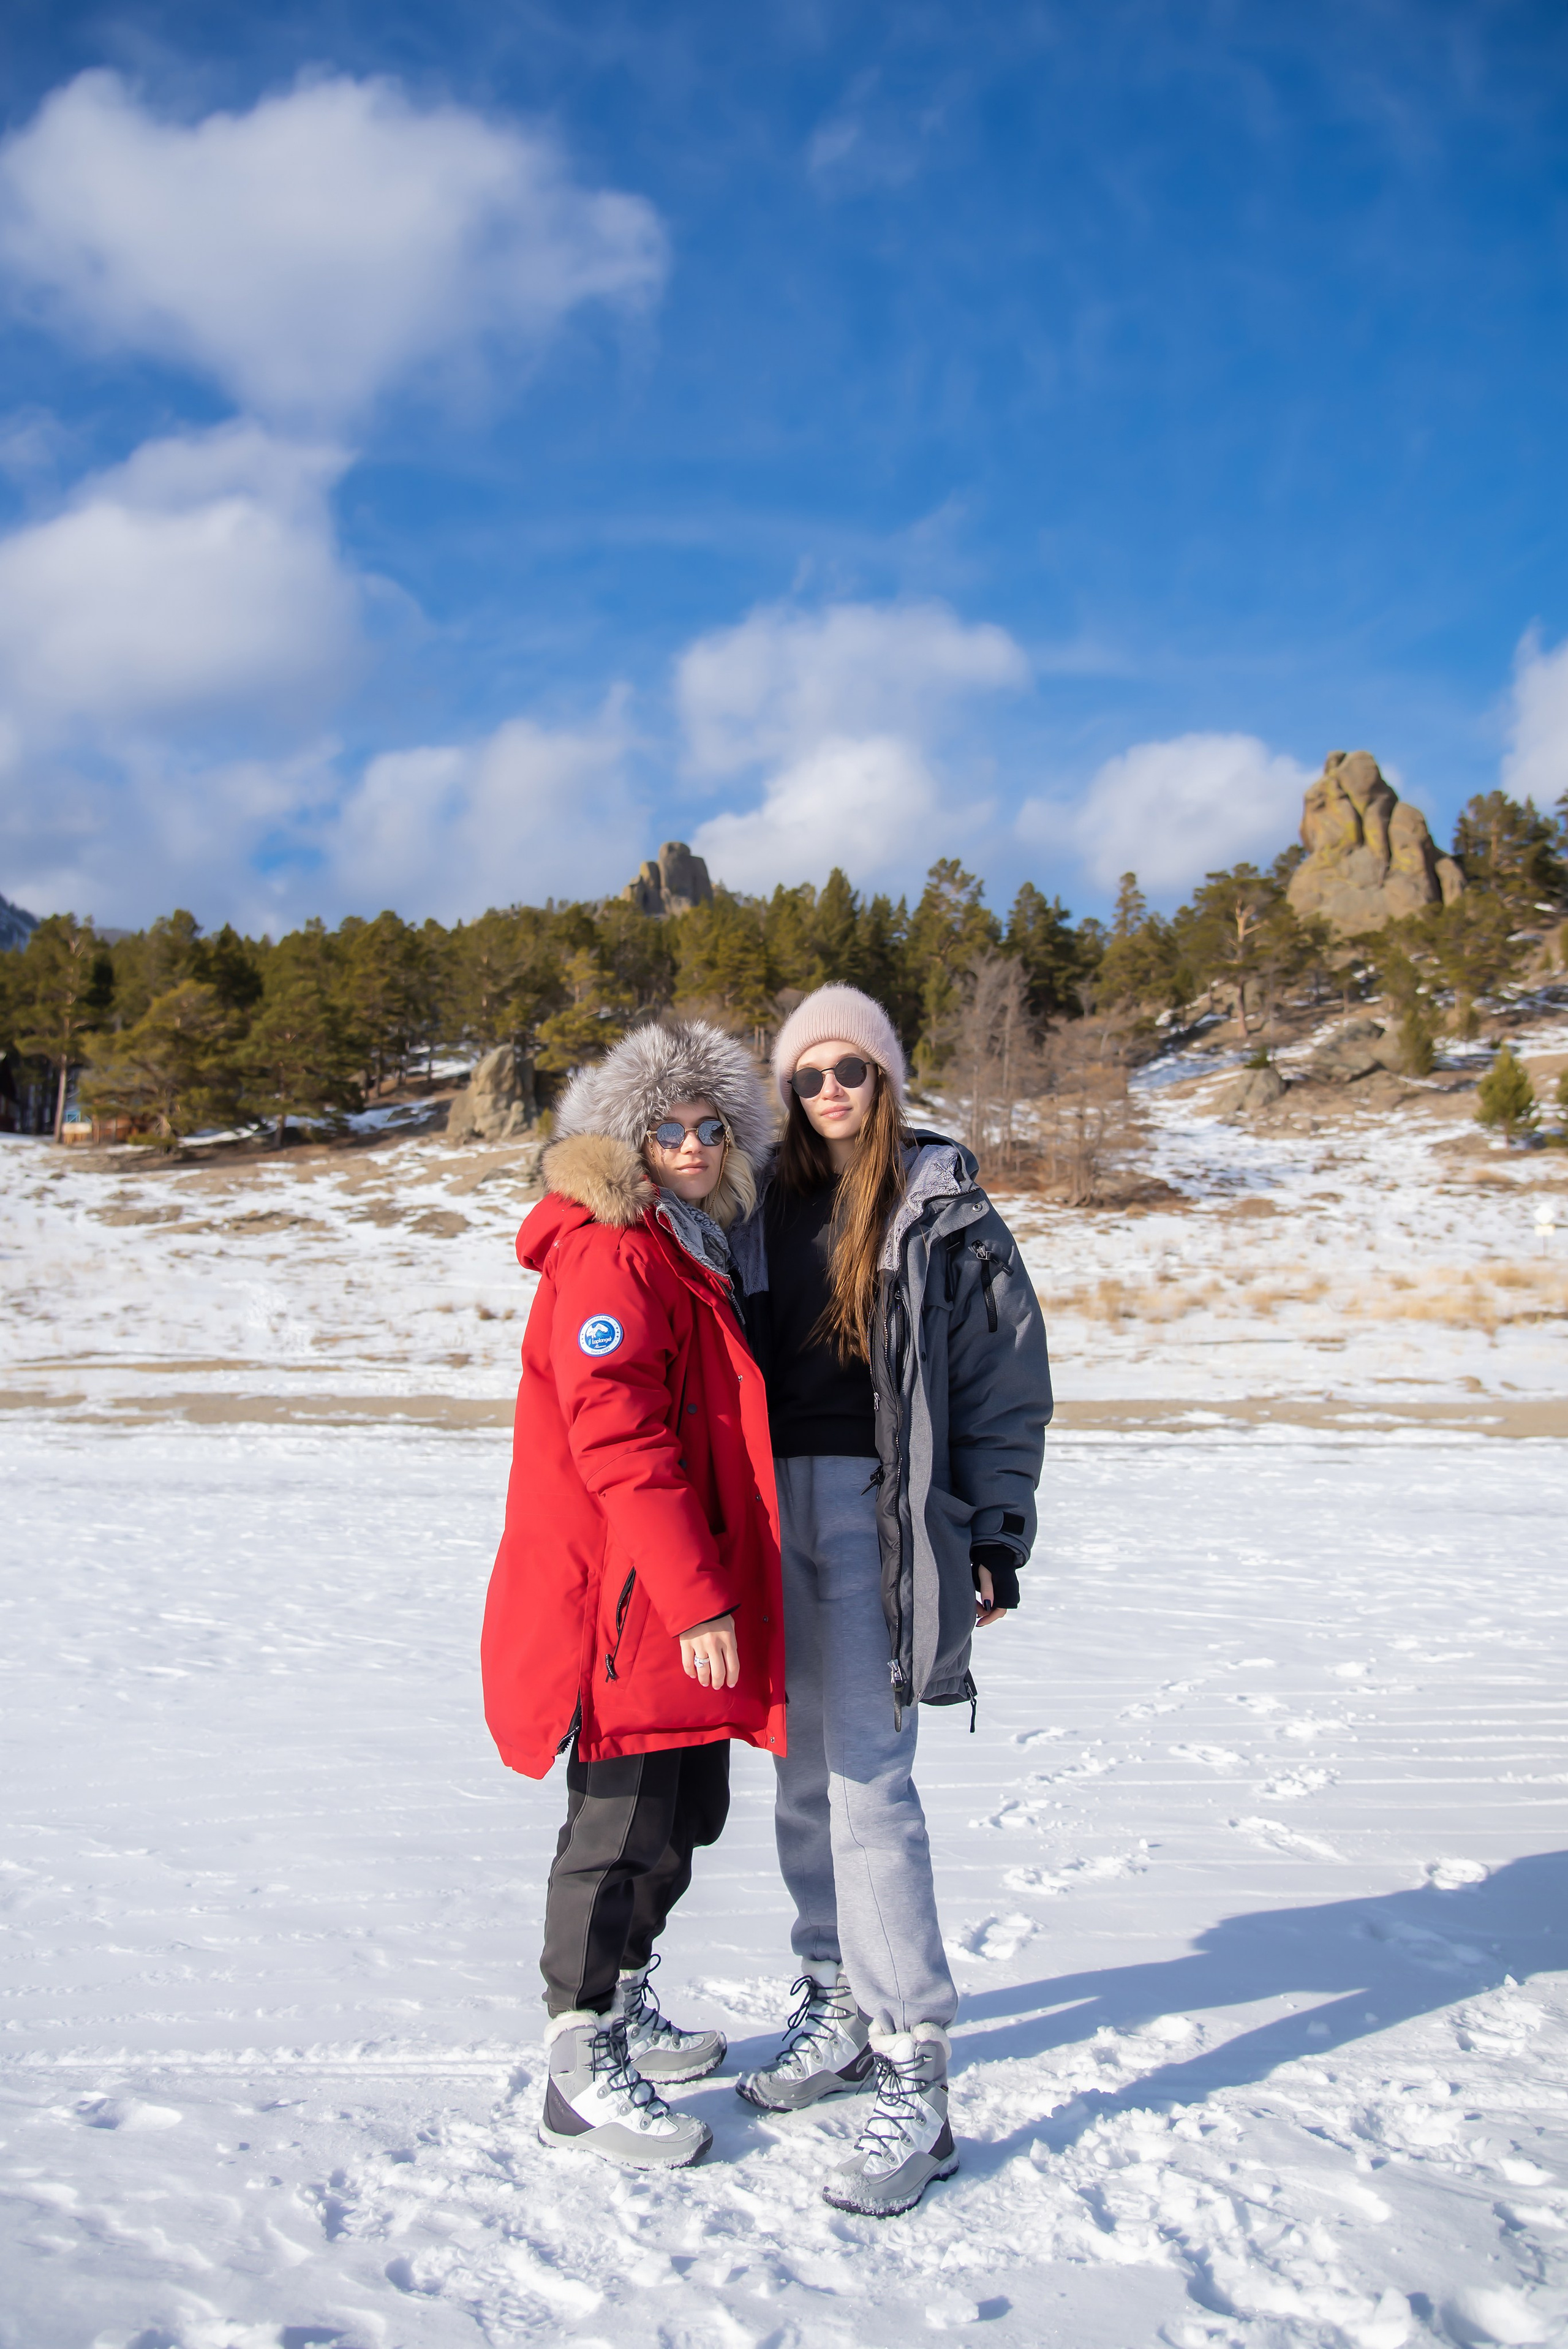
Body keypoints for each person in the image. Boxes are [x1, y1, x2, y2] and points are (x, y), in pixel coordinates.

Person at [731, 984, 1052, 2216]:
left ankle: (913, 2052)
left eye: (849, 1071)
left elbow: (1002, 1378)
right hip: (772, 1516)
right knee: (800, 1776)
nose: (829, 1095)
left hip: (881, 1517)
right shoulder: (750, 1205)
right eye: (807, 1076)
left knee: (871, 1778)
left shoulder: (941, 1205)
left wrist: (994, 1533)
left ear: (886, 1078)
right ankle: (831, 2000)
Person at [481, 1020, 784, 2171]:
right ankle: (577, 2062)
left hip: (667, 1597)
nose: (695, 1144)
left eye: (714, 1126)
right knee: (617, 1830)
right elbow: (621, 1442)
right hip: (633, 1604)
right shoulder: (613, 1254)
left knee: (680, 1818)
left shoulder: (684, 1246)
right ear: (630, 1138)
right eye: (670, 1126)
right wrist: (700, 1598)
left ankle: (624, 2006)